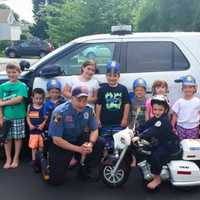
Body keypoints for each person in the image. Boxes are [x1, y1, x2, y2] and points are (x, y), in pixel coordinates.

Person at [47, 85, 104, 185]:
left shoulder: (89, 109)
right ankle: (43, 159)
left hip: (77, 138)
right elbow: (56, 139)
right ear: (71, 98)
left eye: (85, 100)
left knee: (99, 142)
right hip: (61, 142)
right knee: (55, 181)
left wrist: (90, 144)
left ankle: (85, 169)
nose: (82, 104)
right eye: (79, 100)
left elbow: (94, 130)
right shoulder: (59, 112)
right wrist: (79, 149)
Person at [133, 95, 180, 190]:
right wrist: (136, 130)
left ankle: (157, 179)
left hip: (170, 144)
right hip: (162, 142)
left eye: (160, 110)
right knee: (148, 150)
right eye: (155, 109)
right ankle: (150, 170)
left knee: (155, 155)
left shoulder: (163, 120)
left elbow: (153, 130)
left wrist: (140, 136)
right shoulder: (155, 118)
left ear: (165, 110)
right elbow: (146, 125)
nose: (157, 112)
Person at [0, 63, 28, 169]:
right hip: (6, 117)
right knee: (7, 139)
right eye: (9, 72)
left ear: (19, 73)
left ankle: (16, 158)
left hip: (18, 116)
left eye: (14, 72)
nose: (11, 74)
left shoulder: (22, 86)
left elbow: (19, 99)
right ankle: (8, 158)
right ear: (7, 73)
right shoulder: (2, 87)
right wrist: (1, 117)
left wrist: (3, 103)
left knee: (17, 138)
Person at [96, 61, 130, 128]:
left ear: (119, 76)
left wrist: (125, 119)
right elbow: (98, 104)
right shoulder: (102, 89)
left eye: (115, 76)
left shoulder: (123, 89)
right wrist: (97, 119)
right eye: (109, 75)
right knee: (104, 138)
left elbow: (127, 104)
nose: (112, 78)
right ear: (106, 75)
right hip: (105, 123)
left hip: (119, 123)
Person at [171, 75, 200, 140]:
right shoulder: (179, 102)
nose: (188, 89)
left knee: (192, 145)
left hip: (194, 128)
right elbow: (174, 115)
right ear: (182, 89)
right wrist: (172, 127)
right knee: (182, 143)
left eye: (190, 87)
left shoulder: (198, 101)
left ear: (194, 88)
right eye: (185, 87)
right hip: (181, 127)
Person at [27, 88, 46, 169]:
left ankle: (41, 160)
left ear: (43, 98)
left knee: (41, 146)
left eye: (40, 98)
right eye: (36, 98)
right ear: (32, 98)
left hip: (41, 131)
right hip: (33, 131)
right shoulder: (30, 106)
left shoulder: (44, 106)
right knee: (34, 146)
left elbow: (46, 118)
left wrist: (42, 124)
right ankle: (34, 160)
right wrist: (30, 125)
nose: (38, 100)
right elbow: (27, 116)